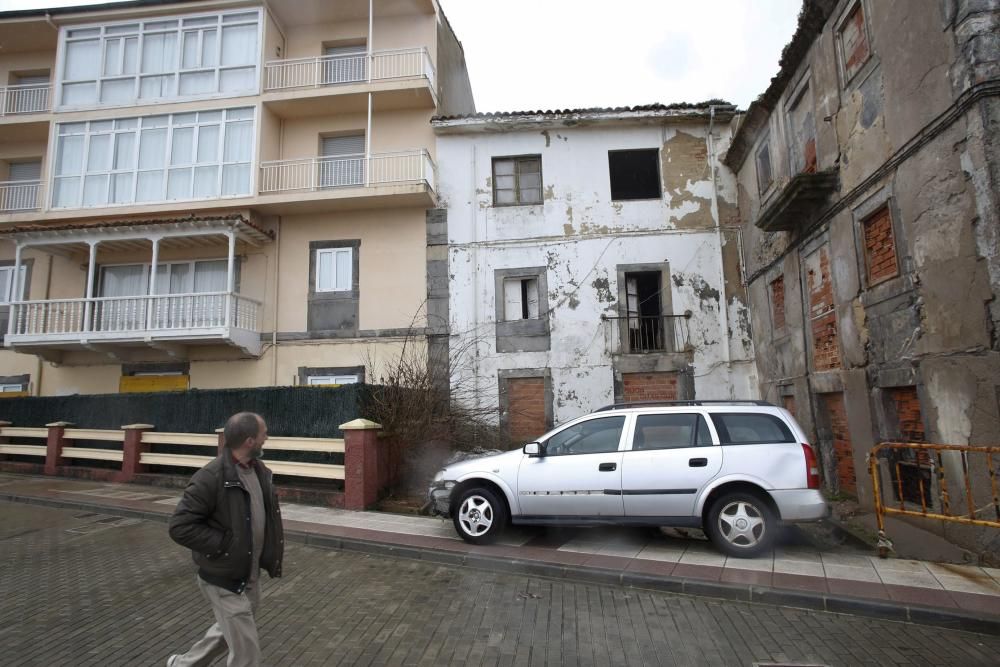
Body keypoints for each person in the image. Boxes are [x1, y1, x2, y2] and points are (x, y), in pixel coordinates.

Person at [167, 412, 284, 667]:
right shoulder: (210, 477)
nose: (267, 437)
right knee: (247, 653)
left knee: (226, 632)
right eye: (264, 433)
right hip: (223, 578)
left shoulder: (260, 471)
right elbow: (180, 526)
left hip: (248, 574)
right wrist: (224, 545)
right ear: (250, 441)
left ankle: (183, 664)